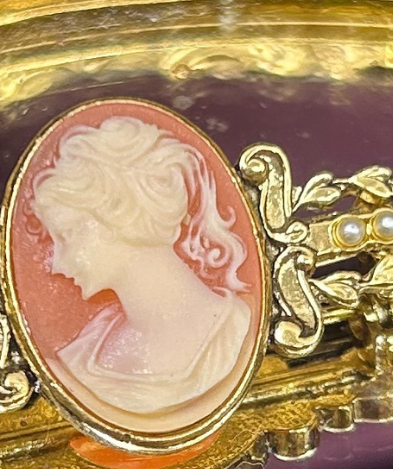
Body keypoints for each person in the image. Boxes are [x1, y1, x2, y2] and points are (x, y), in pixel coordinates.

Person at [31, 114, 252, 418]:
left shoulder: (237, 332)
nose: (57, 263)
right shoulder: (79, 358)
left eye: (68, 235)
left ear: (122, 214)